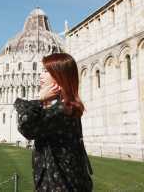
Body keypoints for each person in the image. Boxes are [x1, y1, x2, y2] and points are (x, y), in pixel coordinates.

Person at [14, 53, 93, 192]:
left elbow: (26, 127)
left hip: (59, 185)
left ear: (59, 76)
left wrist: (39, 100)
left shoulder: (63, 110)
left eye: (46, 71)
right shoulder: (67, 106)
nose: (40, 75)